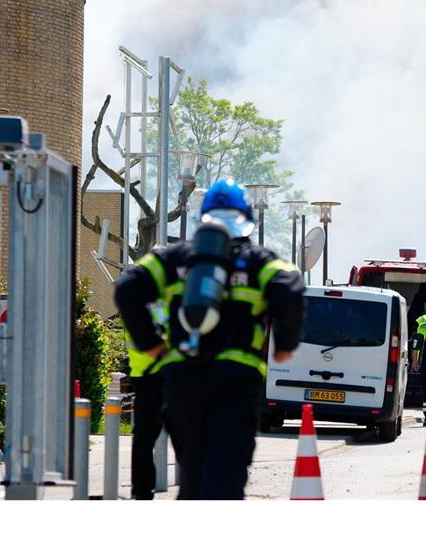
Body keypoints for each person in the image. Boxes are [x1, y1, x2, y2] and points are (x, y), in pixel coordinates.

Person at [113, 178, 305, 500]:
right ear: (246, 217)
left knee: (193, 472)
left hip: (181, 380)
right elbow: (291, 289)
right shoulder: (260, 261)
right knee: (226, 473)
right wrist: (285, 344)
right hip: (236, 381)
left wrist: (150, 342)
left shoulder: (174, 258)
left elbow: (126, 287)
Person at [123, 296, 169, 500]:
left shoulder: (133, 302)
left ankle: (142, 491)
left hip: (145, 376)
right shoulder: (163, 301)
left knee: (143, 438)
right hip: (166, 375)